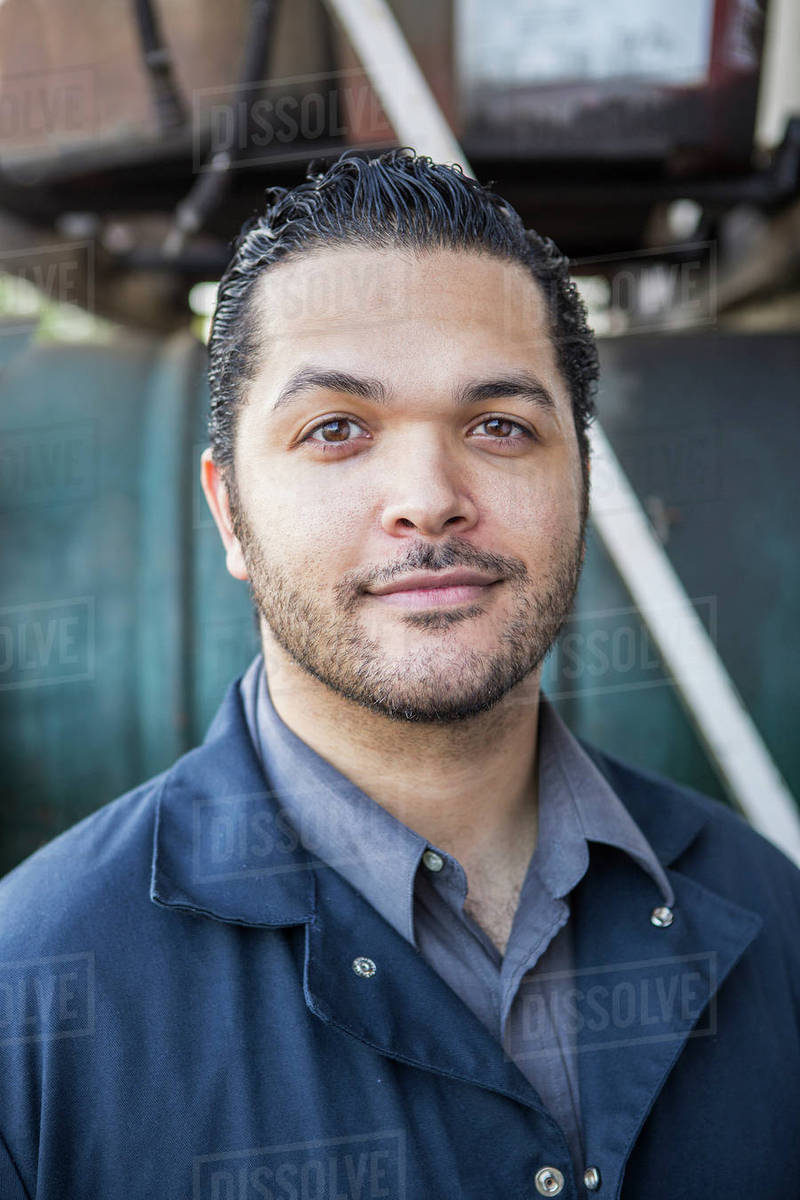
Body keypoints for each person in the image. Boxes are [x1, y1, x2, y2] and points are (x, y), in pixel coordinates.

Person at [0, 148, 798, 1200]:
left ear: (582, 484)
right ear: (228, 509)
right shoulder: (32, 1003)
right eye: (336, 429)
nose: (428, 497)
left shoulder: (770, 921)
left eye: (499, 426)